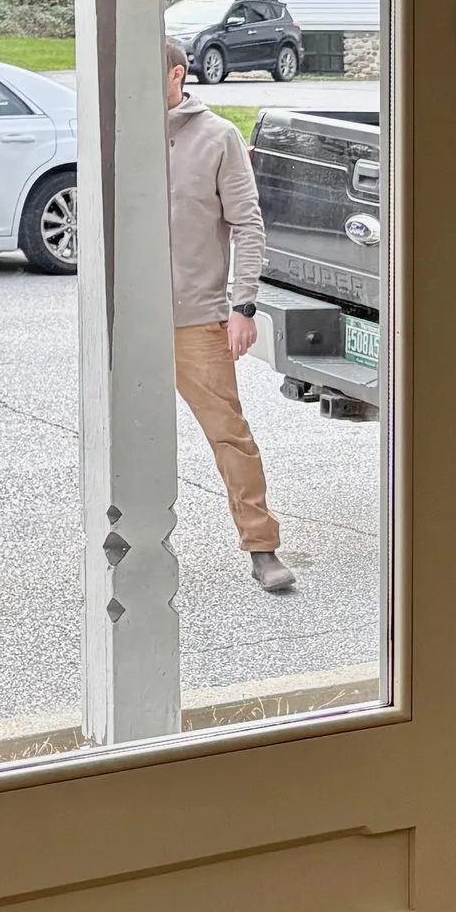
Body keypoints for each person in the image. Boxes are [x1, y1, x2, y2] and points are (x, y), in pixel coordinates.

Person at [165, 40, 295, 592]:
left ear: (176, 74)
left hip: (196, 319)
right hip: (127, 322)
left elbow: (248, 225)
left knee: (229, 436)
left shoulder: (218, 137)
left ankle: (261, 546)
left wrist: (242, 306)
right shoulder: (116, 135)